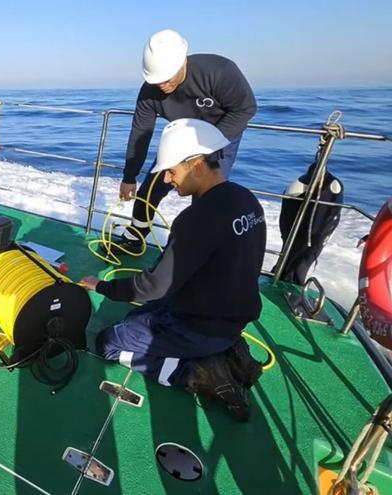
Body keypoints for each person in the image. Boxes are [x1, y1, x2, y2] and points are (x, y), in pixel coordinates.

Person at [81, 118, 266, 422]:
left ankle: (197, 372)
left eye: (172, 171)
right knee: (133, 319)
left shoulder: (196, 219)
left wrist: (101, 287)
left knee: (109, 342)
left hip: (199, 326)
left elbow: (154, 286)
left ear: (196, 165)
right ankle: (225, 351)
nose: (167, 179)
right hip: (232, 319)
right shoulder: (246, 199)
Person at [116, 29, 257, 253]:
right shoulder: (149, 91)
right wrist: (129, 176)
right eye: (156, 80)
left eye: (167, 78)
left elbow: (245, 109)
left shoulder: (220, 71)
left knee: (205, 201)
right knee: (150, 189)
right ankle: (135, 238)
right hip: (181, 139)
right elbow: (141, 133)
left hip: (219, 137)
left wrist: (206, 147)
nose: (162, 85)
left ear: (183, 62)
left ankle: (193, 254)